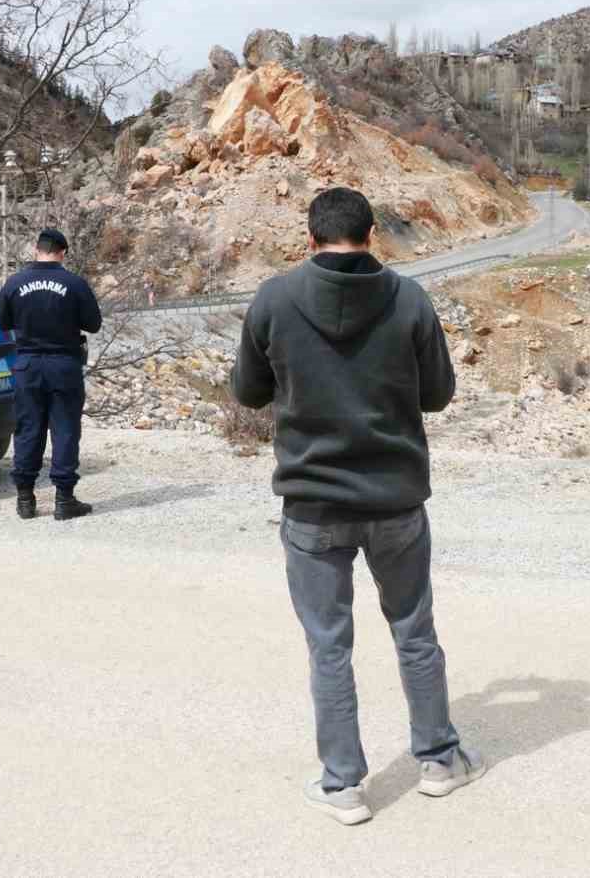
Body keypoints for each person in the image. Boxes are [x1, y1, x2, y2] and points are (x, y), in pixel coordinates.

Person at [231, 186, 483, 826]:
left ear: (310, 238)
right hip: (395, 498)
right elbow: (438, 395)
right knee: (414, 632)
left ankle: (343, 785)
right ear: (372, 236)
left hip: (313, 504)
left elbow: (248, 392)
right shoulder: (409, 299)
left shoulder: (274, 299)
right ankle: (439, 760)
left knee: (329, 647)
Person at [0, 227, 102, 521]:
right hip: (63, 364)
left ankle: (25, 499)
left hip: (27, 365)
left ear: (36, 250)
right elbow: (94, 324)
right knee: (65, 429)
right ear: (63, 252)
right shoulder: (74, 283)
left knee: (28, 429)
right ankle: (64, 500)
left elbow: (2, 322)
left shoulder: (14, 282)